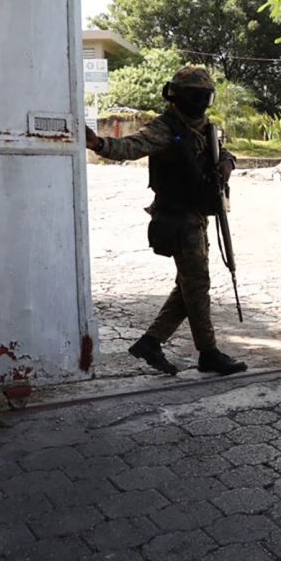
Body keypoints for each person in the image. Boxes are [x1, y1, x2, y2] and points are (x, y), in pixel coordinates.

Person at [85, 66, 247, 377]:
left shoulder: (204, 128)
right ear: (176, 96)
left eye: (205, 96)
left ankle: (150, 342)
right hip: (176, 219)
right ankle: (208, 353)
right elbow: (131, 146)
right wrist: (99, 144)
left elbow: (220, 151)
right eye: (195, 96)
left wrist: (228, 162)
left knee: (188, 286)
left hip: (197, 216)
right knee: (196, 286)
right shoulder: (164, 129)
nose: (200, 102)